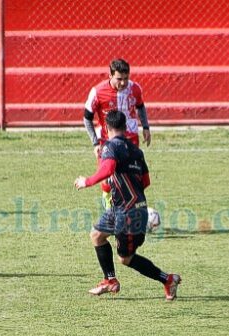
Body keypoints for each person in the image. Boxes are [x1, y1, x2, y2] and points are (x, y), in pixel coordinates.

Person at [75, 110, 180, 300]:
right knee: (97, 235)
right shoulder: (136, 151)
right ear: (125, 127)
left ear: (106, 128)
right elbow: (146, 181)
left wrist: (87, 181)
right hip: (122, 209)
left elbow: (107, 169)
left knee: (126, 258)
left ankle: (167, 279)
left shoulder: (110, 146)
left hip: (128, 214)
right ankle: (110, 280)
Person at [83, 58, 151, 210]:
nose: (123, 83)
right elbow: (87, 118)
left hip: (131, 140)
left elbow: (140, 106)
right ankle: (109, 208)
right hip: (107, 142)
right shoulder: (98, 92)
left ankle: (133, 209)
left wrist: (146, 127)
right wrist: (95, 143)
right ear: (110, 76)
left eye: (126, 79)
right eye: (119, 79)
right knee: (107, 179)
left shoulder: (135, 88)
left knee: (133, 177)